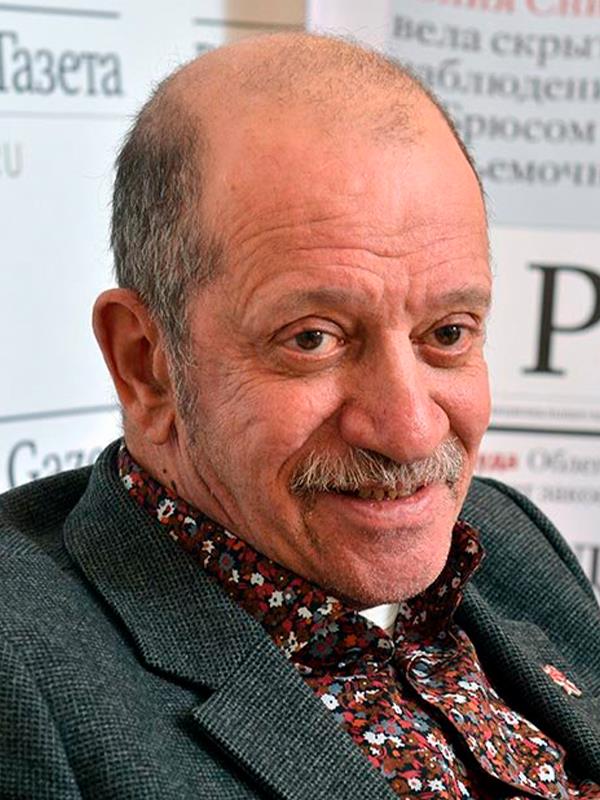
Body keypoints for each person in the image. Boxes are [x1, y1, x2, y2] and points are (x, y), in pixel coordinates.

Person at [0, 33, 599, 799]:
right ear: (146, 363)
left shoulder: (507, 535)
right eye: (313, 339)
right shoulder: (20, 672)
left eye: (448, 334)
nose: (410, 430)